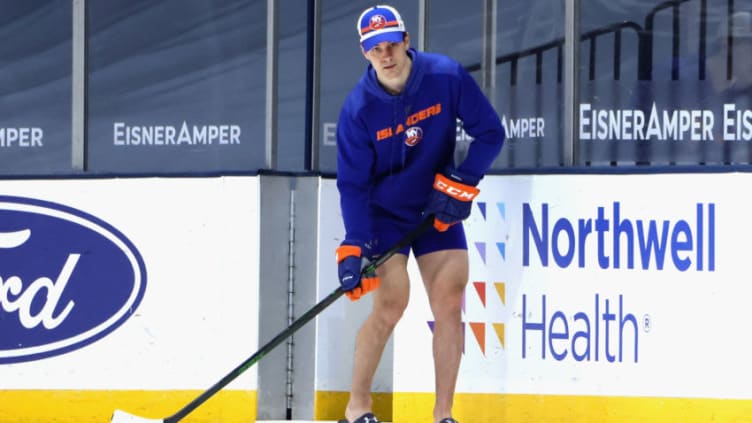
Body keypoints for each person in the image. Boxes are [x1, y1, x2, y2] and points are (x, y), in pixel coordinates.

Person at [334, 5, 505, 423]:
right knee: (391, 304)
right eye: (376, 50)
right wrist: (354, 243)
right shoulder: (357, 110)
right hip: (384, 217)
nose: (386, 55)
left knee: (449, 301)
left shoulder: (445, 76)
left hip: (435, 210)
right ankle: (358, 407)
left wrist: (462, 181)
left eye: (392, 45)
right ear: (364, 53)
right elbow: (353, 185)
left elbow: (490, 133)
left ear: (407, 41)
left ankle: (443, 414)